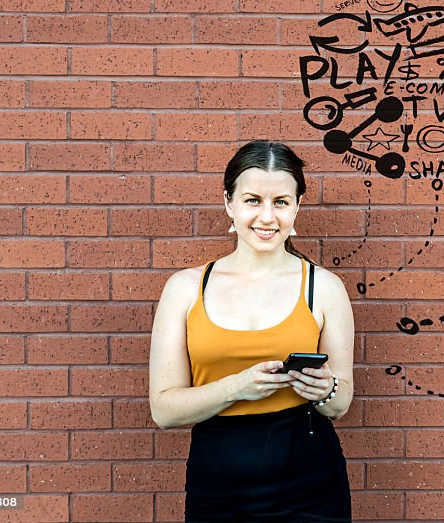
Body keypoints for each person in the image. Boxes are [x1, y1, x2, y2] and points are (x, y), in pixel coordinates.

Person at [149, 141, 355, 522]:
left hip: (309, 477)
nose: (267, 216)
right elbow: (163, 409)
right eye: (252, 200)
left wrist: (325, 390)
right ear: (229, 203)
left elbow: (340, 404)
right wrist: (237, 387)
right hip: (218, 478)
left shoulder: (324, 287)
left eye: (280, 201)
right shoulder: (185, 288)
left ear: (297, 207)